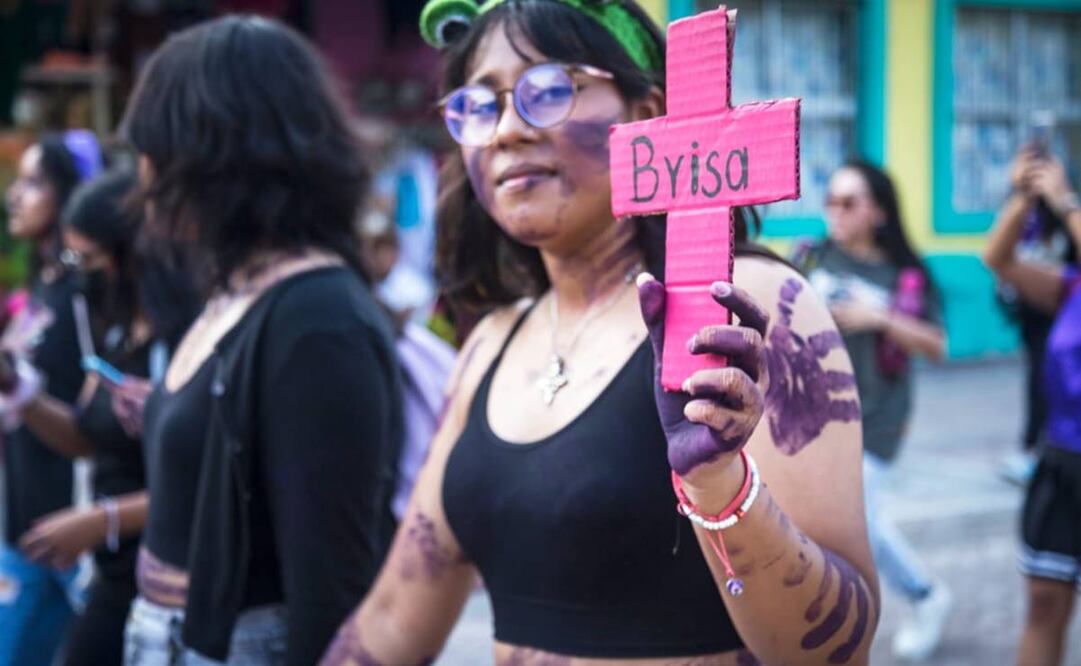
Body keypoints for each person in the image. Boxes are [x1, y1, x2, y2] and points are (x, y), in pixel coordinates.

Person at [322, 1, 879, 664]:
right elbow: (392, 618)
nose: (504, 131)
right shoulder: (486, 347)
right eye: (478, 105)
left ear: (645, 116)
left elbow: (833, 654)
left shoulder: (747, 307)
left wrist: (718, 485)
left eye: (549, 90)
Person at [118, 15, 403, 666]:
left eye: (156, 152)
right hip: (168, 634)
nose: (142, 178)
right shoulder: (234, 288)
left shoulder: (315, 318)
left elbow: (330, 589)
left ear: (215, 156)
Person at [0, 169, 197, 665]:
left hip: (166, 585)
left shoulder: (184, 341)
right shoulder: (114, 333)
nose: (80, 273)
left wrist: (102, 520)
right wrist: (16, 388)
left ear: (133, 253)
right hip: (110, 573)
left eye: (89, 259)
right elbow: (87, 437)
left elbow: (203, 485)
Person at [793, 159, 950, 661]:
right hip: (815, 415)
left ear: (878, 211)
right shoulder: (811, 258)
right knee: (827, 517)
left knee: (857, 516)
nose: (835, 212)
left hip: (879, 415)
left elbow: (936, 344)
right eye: (831, 200)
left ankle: (925, 595)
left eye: (849, 201)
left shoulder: (904, 275)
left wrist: (877, 317)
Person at [0, 131, 101, 666]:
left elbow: (100, 423)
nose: (16, 195)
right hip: (24, 533)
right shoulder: (41, 288)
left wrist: (15, 387)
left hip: (71, 542)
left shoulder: (83, 295)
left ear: (69, 195)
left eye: (34, 182)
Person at [983, 147, 1081, 666]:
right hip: (1062, 462)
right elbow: (997, 258)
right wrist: (1026, 196)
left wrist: (1065, 201)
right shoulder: (1069, 287)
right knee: (1043, 604)